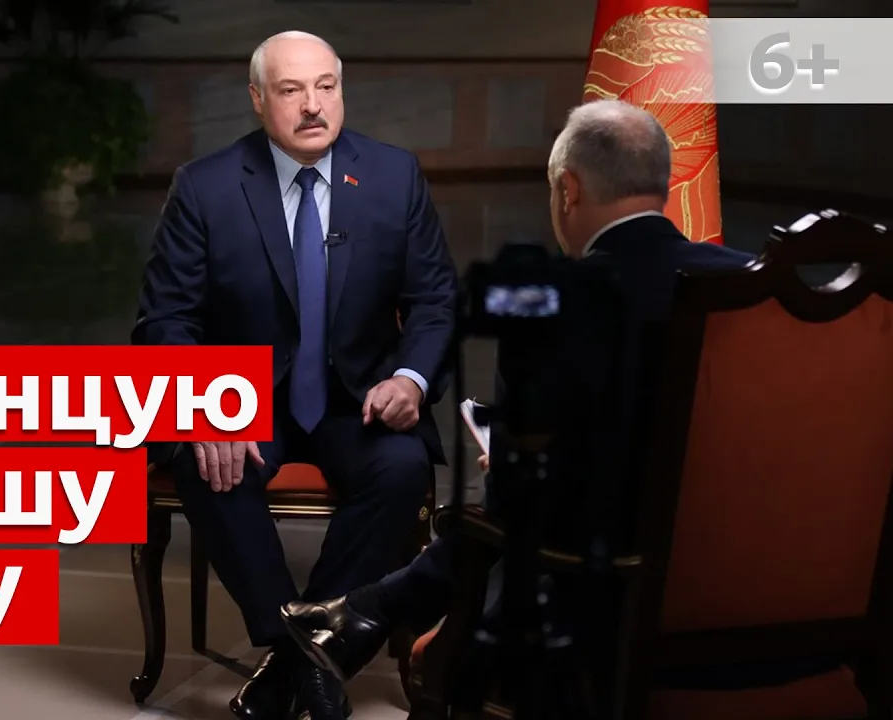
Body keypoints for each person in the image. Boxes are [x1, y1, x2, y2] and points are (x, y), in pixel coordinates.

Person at [280, 99, 762, 685]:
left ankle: (366, 613)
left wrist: (510, 462)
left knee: (510, 522)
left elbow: (519, 504)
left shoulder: (546, 305)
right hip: (764, 591)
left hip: (602, 615)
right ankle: (365, 612)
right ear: (664, 182)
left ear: (568, 191)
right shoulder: (752, 286)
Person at [132, 30, 457, 719]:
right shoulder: (205, 186)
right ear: (258, 99)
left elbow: (435, 301)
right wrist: (204, 405)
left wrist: (410, 379)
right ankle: (309, 650)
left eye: (326, 87)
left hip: (358, 397)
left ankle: (293, 662)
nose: (313, 105)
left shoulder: (394, 176)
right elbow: (163, 321)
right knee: (204, 464)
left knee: (401, 469)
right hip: (241, 399)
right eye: (291, 90)